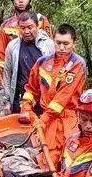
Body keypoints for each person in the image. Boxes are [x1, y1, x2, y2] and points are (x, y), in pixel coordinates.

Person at [21, 24, 88, 166]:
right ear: (53, 41)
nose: (62, 48)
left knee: (70, 160)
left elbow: (62, 98)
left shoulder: (77, 64)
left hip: (69, 120)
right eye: (58, 43)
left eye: (66, 44)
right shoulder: (42, 62)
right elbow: (31, 89)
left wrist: (42, 120)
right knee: (47, 160)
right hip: (48, 121)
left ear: (73, 44)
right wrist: (26, 106)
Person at [0, 0, 51, 89]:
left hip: (40, 72)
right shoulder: (6, 26)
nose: (21, 1)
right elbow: (0, 53)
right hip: (15, 74)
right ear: (13, 0)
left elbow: (51, 49)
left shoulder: (42, 21)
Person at [1, 11, 54, 115]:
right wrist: (7, 101)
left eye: (30, 27)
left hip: (43, 99)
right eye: (22, 28)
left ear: (37, 25)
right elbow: (7, 74)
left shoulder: (49, 45)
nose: (26, 31)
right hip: (20, 98)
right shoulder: (12, 47)